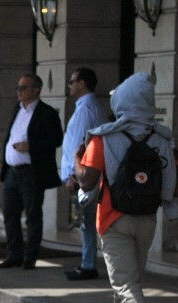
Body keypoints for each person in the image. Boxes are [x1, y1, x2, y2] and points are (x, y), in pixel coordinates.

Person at [74, 72, 178, 303]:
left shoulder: (103, 137)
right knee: (129, 283)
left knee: (124, 283)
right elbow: (173, 185)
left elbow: (87, 180)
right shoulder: (162, 137)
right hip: (147, 218)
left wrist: (76, 159)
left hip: (113, 217)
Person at [0, 73, 62, 270]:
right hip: (11, 171)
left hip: (31, 172)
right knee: (10, 214)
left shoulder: (47, 113)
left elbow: (56, 139)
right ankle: (14, 254)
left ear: (35, 90)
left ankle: (30, 256)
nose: (19, 91)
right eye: (18, 87)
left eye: (23, 88)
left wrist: (31, 145)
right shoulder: (17, 109)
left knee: (33, 215)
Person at [59, 67, 106, 281]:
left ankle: (88, 265)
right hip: (84, 174)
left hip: (83, 175)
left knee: (87, 222)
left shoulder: (87, 109)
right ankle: (86, 262)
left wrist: (72, 175)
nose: (69, 85)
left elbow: (79, 146)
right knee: (85, 222)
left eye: (72, 81)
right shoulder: (85, 107)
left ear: (82, 84)